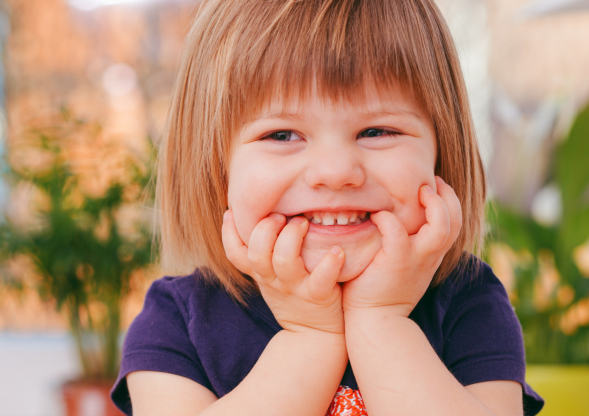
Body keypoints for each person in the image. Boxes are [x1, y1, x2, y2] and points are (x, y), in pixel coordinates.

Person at [110, 0, 544, 415]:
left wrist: (381, 323)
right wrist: (310, 337)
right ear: (216, 167)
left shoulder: (470, 301)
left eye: (377, 130)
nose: (336, 172)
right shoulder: (175, 322)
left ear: (441, 155)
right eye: (282, 135)